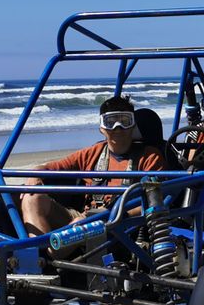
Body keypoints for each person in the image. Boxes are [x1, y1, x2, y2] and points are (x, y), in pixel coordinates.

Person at [20, 94, 165, 234]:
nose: (117, 128)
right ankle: (39, 254)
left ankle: (50, 253)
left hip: (121, 225)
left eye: (124, 121)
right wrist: (35, 174)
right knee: (32, 197)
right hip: (82, 220)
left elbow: (158, 198)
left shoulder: (149, 156)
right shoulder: (92, 153)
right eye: (110, 122)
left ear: (133, 126)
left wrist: (113, 215)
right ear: (101, 128)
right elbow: (53, 167)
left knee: (78, 226)